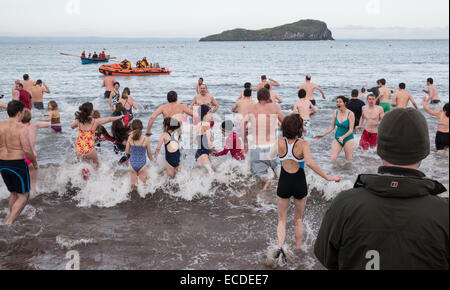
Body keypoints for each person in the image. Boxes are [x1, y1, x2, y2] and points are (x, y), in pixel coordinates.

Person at [314, 108, 449, 270]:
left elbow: (326, 258)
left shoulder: (344, 204)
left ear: (379, 149)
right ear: (425, 151)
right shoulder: (444, 213)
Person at [272, 114, 340, 261]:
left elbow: (271, 157)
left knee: (281, 219)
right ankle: (298, 250)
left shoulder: (278, 142)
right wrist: (328, 177)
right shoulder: (303, 144)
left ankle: (280, 247)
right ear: (299, 128)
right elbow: (309, 162)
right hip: (299, 182)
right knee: (298, 219)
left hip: (284, 181)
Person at [0, 101, 37, 225]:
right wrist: (34, 163)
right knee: (24, 195)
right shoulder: (21, 127)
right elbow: (27, 150)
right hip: (17, 165)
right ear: (19, 113)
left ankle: (11, 214)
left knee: (13, 193)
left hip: (2, 164)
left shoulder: (0, 125)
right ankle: (9, 221)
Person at [245, 88, 284, 190]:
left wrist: (245, 143)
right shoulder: (274, 107)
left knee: (259, 176)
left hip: (256, 147)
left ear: (257, 97)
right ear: (268, 97)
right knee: (280, 171)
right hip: (272, 147)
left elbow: (242, 126)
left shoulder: (251, 109)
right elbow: (285, 124)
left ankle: (266, 183)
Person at [71, 102, 124, 168]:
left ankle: (83, 173)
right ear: (90, 112)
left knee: (81, 164)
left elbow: (72, 126)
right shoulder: (95, 121)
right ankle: (94, 176)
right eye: (92, 110)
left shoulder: (78, 121)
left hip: (79, 148)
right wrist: (120, 116)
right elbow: (109, 119)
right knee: (96, 165)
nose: (93, 111)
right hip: (89, 149)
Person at [315, 96, 355, 161]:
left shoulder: (350, 114)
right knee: (333, 159)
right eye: (337, 102)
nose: (338, 103)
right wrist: (323, 134)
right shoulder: (335, 112)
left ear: (344, 103)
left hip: (348, 138)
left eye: (340, 102)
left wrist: (343, 137)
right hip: (337, 138)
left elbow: (351, 130)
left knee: (348, 161)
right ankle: (334, 171)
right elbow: (332, 127)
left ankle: (346, 171)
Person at [21, 109, 51, 193]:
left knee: (24, 180)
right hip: (32, 157)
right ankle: (33, 195)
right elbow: (47, 125)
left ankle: (24, 195)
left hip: (21, 157)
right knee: (33, 183)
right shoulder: (34, 125)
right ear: (30, 117)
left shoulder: (18, 127)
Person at [125, 120, 154, 189]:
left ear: (132, 128)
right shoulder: (146, 139)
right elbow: (149, 154)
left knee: (133, 187)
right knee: (143, 188)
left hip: (133, 163)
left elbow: (127, 152)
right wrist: (153, 161)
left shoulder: (130, 138)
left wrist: (132, 151)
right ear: (142, 127)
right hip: (142, 164)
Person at [232, 88, 255, 153]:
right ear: (251, 94)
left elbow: (233, 110)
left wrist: (238, 111)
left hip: (240, 122)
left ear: (243, 94)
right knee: (248, 138)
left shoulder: (239, 102)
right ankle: (247, 152)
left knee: (242, 138)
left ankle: (243, 153)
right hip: (249, 122)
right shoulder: (253, 102)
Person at [194, 105, 215, 170]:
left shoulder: (199, 124)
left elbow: (195, 141)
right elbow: (209, 141)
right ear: (205, 113)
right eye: (210, 112)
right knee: (211, 175)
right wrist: (212, 149)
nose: (211, 113)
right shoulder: (206, 124)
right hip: (204, 154)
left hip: (200, 153)